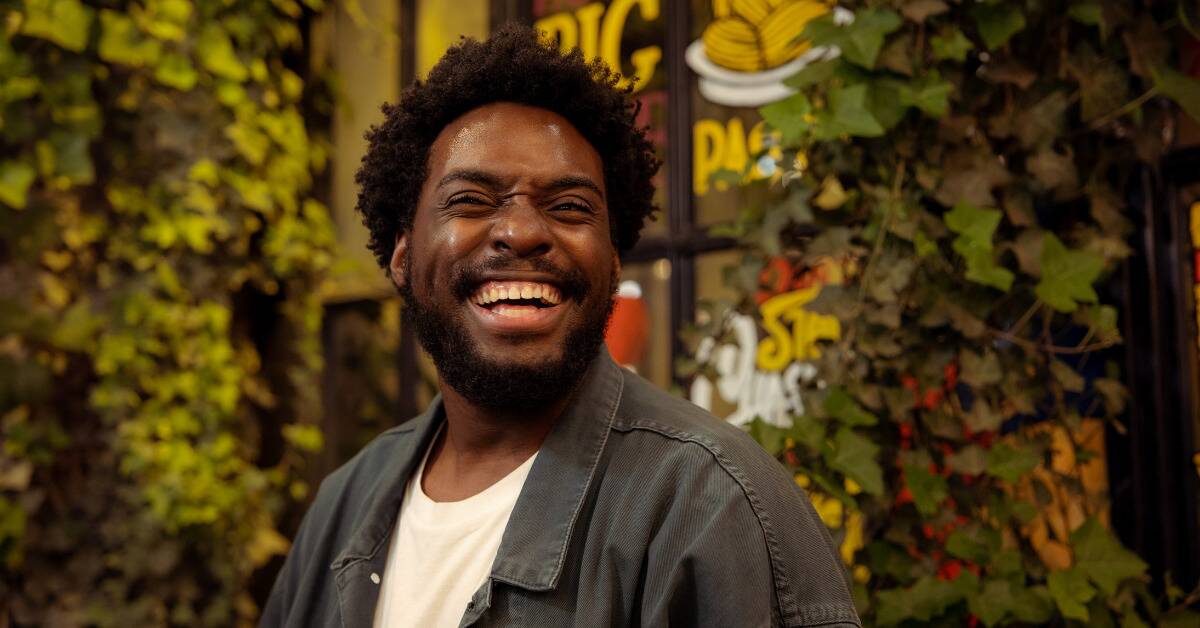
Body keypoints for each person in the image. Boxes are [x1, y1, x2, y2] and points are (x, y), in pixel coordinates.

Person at [260, 24, 860, 628]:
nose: (522, 232)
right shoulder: (345, 504)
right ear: (401, 252)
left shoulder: (712, 504)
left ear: (614, 260)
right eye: (470, 200)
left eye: (569, 207)